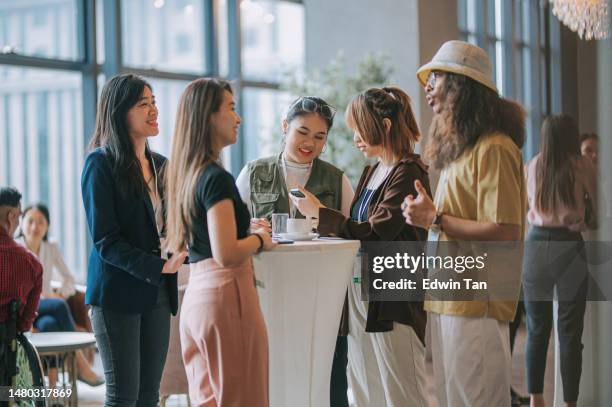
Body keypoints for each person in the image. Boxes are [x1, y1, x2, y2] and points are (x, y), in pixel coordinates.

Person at [403, 40, 527, 407]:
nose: (428, 85)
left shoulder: (496, 148)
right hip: (448, 297)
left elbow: (506, 231)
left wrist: (435, 218)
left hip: (477, 301)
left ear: (461, 86)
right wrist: (427, 215)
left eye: (437, 76)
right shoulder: (463, 152)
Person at [291, 86, 430, 407]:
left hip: (393, 299)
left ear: (385, 125)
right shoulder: (372, 171)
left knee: (402, 393)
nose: (355, 137)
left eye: (360, 128)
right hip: (361, 296)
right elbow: (358, 229)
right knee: (366, 392)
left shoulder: (409, 171)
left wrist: (320, 214)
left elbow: (375, 232)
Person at [236, 95, 354, 407]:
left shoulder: (336, 179)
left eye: (319, 137)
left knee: (329, 380)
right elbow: (231, 231)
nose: (309, 143)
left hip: (323, 297)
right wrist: (247, 227)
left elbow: (354, 233)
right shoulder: (253, 173)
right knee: (273, 378)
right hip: (269, 297)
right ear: (285, 126)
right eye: (302, 132)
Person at [164, 78, 275, 406]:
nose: (237, 118)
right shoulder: (216, 178)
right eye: (231, 108)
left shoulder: (188, 176)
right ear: (208, 116)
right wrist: (259, 239)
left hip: (198, 301)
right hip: (228, 298)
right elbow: (226, 252)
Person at [81, 74, 188, 406]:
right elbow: (106, 240)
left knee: (148, 396)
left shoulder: (161, 166)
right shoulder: (101, 163)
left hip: (158, 291)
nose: (153, 109)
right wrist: (158, 266)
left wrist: (180, 245)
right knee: (123, 397)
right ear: (119, 111)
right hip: (117, 294)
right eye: (143, 104)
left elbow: (171, 224)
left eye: (153, 101)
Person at [523, 114, 597, 407]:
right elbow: (599, 212)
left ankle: (535, 400)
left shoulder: (533, 165)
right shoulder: (582, 165)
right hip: (569, 247)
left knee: (536, 330)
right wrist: (583, 218)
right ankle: (568, 404)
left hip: (536, 246)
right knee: (569, 333)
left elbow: (530, 203)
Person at [17, 203, 102, 385]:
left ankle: (53, 390)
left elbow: (68, 279)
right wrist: (54, 301)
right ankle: (80, 362)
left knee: (51, 324)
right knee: (59, 306)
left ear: (47, 225)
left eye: (40, 222)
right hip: (25, 307)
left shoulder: (50, 247)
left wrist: (60, 294)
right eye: (30, 221)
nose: (35, 227)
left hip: (45, 310)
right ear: (21, 223)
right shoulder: (17, 248)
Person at [0, 187, 42, 333]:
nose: (18, 223)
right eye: (19, 216)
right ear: (11, 216)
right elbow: (25, 324)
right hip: (7, 348)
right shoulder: (32, 264)